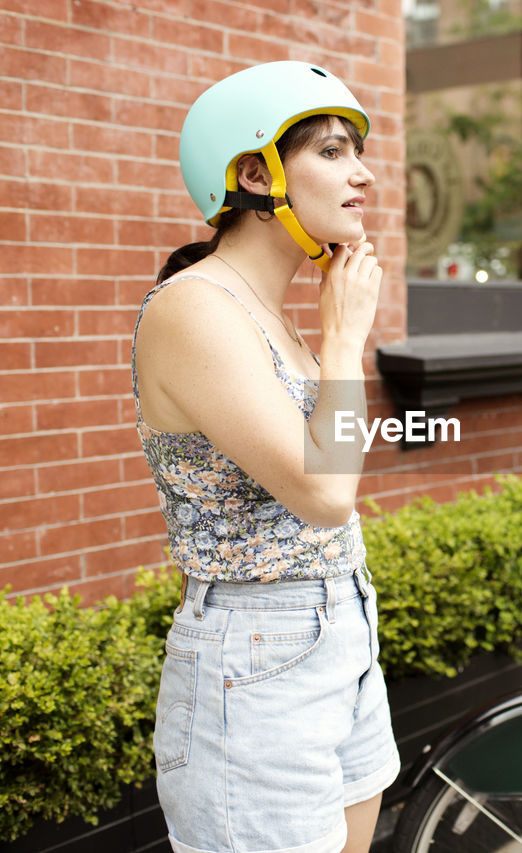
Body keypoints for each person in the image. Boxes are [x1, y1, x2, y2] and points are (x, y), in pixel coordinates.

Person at [130, 61, 398, 853]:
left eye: (358, 151)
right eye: (333, 151)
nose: (365, 172)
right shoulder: (194, 308)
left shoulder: (275, 316)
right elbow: (327, 492)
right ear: (256, 172)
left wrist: (334, 338)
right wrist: (346, 337)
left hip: (341, 622)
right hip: (255, 653)